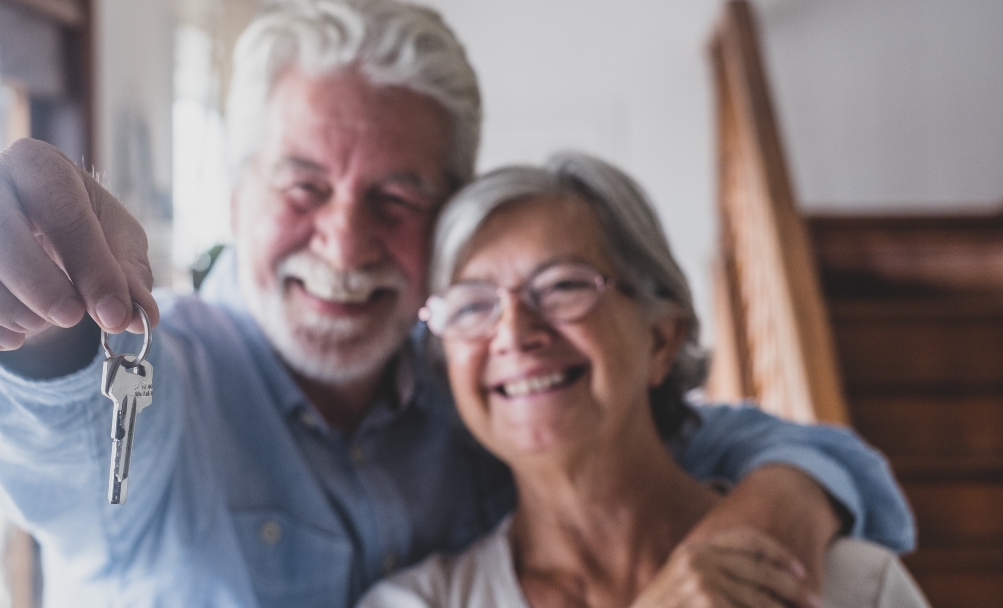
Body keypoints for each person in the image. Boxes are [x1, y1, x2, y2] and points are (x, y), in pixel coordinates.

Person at [0, 0, 913, 607]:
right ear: (238, 195)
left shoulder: (482, 379)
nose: (345, 240)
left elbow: (712, 436)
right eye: (303, 185)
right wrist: (46, 334)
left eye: (397, 197)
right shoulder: (170, 373)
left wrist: (778, 517)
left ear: (448, 221)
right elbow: (70, 452)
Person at [359, 153, 928, 608]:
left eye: (562, 286)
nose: (514, 332)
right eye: (471, 305)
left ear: (661, 338)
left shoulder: (854, 586)